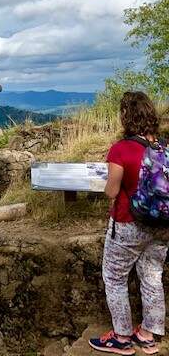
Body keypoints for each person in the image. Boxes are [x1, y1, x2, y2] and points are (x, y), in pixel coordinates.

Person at [89, 92, 167, 355]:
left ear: (126, 117)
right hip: (161, 225)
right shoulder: (163, 148)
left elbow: (112, 191)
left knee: (114, 278)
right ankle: (147, 336)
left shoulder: (121, 149)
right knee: (152, 278)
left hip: (128, 223)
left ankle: (121, 338)